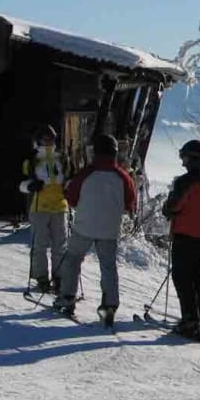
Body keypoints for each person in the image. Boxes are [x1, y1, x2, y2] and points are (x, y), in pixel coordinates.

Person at [55, 134, 137, 327]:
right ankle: (109, 306)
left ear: (96, 152)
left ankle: (67, 297)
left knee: (72, 260)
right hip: (110, 229)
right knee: (108, 267)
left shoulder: (87, 173)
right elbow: (130, 203)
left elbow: (72, 197)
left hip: (85, 225)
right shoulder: (123, 176)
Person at [163, 139, 200, 341]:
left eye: (183, 156)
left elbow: (173, 207)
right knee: (198, 277)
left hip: (185, 235)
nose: (182, 161)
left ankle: (190, 321)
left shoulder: (185, 181)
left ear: (189, 157)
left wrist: (168, 205)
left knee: (182, 277)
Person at [20, 125, 69, 294]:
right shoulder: (32, 160)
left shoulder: (62, 159)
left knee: (60, 245)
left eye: (51, 138)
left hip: (60, 206)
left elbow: (70, 179)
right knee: (39, 245)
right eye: (44, 138)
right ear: (38, 140)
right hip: (40, 206)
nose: (48, 141)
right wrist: (30, 186)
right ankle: (41, 278)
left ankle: (60, 278)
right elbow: (21, 184)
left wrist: (70, 189)